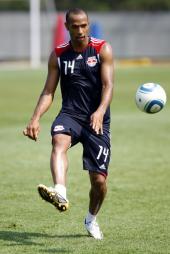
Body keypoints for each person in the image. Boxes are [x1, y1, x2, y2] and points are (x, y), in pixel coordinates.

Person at [23, 8, 114, 240]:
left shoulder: (102, 49)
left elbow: (108, 86)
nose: (81, 30)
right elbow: (48, 91)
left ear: (88, 24)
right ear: (67, 27)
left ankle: (91, 219)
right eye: (75, 26)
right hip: (70, 114)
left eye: (84, 25)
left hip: (97, 120)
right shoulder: (59, 55)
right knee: (58, 141)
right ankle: (60, 192)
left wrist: (100, 111)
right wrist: (35, 118)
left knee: (99, 183)